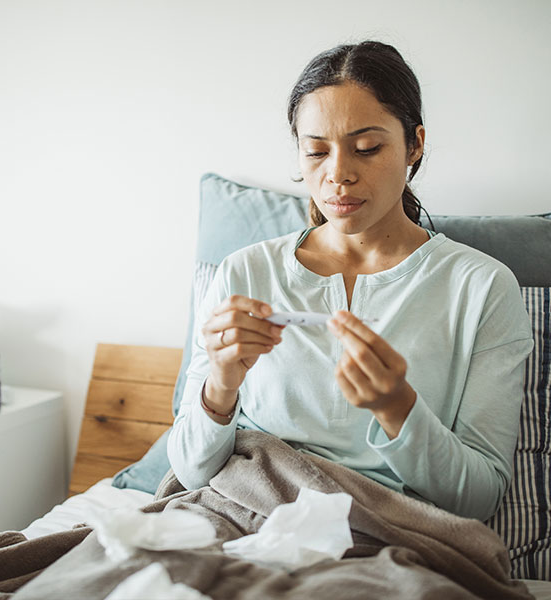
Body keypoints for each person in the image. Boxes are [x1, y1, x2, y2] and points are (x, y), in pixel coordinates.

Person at [167, 41, 533, 521]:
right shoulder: (246, 273)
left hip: (385, 538)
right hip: (239, 518)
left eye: (367, 148)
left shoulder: (481, 288)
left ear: (415, 144)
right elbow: (192, 473)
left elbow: (478, 500)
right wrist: (221, 385)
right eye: (316, 151)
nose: (338, 174)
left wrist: (398, 408)